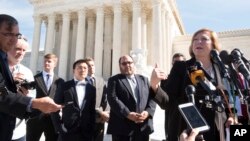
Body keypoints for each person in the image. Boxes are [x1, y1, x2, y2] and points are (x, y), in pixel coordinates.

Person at [150, 28, 235, 141]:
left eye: (203, 39)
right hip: (189, 131)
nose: (198, 42)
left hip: (218, 130)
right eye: (195, 39)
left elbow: (226, 98)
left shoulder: (220, 69)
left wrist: (231, 117)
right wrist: (154, 85)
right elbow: (168, 102)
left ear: (213, 45)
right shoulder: (181, 67)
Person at [0, 14, 62, 141]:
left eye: (16, 35)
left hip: (14, 129)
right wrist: (33, 103)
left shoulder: (5, 60)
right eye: (8, 34)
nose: (14, 39)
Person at [107, 55, 156, 141]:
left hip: (143, 127)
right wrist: (128, 114)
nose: (127, 65)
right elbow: (113, 99)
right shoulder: (114, 80)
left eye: (130, 62)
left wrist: (147, 112)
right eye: (124, 63)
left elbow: (152, 97)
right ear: (120, 66)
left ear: (134, 64)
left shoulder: (144, 79)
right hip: (122, 128)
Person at [52, 59, 96, 141]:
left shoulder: (92, 89)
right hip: (67, 132)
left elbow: (91, 110)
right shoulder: (64, 86)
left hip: (86, 133)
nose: (82, 70)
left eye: (85, 68)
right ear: (73, 70)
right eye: (79, 67)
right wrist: (60, 128)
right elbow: (54, 108)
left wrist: (92, 128)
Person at [26, 53, 64, 141]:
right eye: (45, 61)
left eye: (49, 61)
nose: (46, 63)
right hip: (35, 119)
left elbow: (62, 100)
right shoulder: (33, 79)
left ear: (55, 64)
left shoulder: (60, 81)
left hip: (53, 121)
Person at [8, 36, 36, 141]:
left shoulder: (27, 72)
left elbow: (32, 97)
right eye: (18, 49)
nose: (21, 53)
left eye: (24, 50)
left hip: (18, 131)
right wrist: (9, 83)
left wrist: (25, 96)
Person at [85, 57, 109, 141]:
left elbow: (105, 99)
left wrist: (104, 114)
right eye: (88, 66)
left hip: (99, 121)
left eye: (92, 65)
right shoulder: (81, 82)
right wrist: (100, 112)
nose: (91, 67)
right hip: (85, 120)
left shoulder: (101, 81)